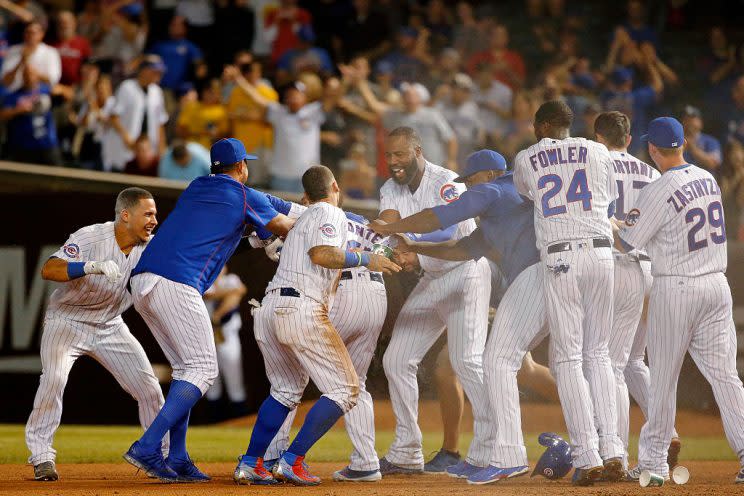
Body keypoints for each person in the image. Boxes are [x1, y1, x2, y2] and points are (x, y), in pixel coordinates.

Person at [370, 150, 557, 483]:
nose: (467, 189)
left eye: (469, 182)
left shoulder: (495, 188)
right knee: (563, 360)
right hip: (547, 276)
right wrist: (416, 248)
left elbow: (440, 217)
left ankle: (506, 454)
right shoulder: (505, 209)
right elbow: (460, 249)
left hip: (537, 278)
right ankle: (496, 452)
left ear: (486, 175)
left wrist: (394, 228)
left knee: (495, 361)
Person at [122, 138, 295, 482]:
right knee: (202, 369)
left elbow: (239, 218)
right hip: (177, 281)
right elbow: (284, 226)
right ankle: (148, 445)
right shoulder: (244, 194)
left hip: (142, 280)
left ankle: (179, 457)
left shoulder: (196, 186)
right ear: (242, 167)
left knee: (186, 368)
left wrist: (259, 225)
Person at [233, 166, 400, 486]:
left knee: (284, 391)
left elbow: (267, 219)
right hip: (301, 307)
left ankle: (252, 463)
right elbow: (323, 253)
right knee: (347, 389)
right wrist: (367, 259)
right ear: (335, 186)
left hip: (269, 308)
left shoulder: (296, 219)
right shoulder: (329, 212)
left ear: (304, 197)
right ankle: (291, 460)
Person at [617, 117, 744, 484]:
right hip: (716, 286)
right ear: (683, 144)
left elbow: (627, 244)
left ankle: (654, 463)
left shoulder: (659, 188)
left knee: (663, 380)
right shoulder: (707, 178)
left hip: (677, 288)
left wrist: (609, 224)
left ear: (652, 150)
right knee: (726, 377)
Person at [366, 127, 492, 476]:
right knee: (397, 359)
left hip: (465, 272)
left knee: (466, 362)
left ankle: (496, 446)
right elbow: (387, 222)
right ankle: (407, 451)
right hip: (432, 277)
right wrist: (375, 238)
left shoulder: (447, 179)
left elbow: (449, 230)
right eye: (389, 155)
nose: (393, 162)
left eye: (400, 154)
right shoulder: (390, 187)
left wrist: (404, 238)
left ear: (418, 151)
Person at [512, 100, 624, 485]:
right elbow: (607, 195)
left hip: (562, 257)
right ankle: (614, 450)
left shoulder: (527, 157)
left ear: (543, 126)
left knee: (569, 359)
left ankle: (588, 455)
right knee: (600, 355)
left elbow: (530, 195)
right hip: (601, 252)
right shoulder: (597, 150)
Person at [25, 188, 165, 482]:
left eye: (154, 214)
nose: (154, 219)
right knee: (54, 379)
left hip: (109, 325)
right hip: (67, 321)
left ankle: (157, 455)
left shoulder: (151, 246)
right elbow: (49, 269)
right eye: (148, 214)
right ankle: (41, 457)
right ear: (126, 215)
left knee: (149, 388)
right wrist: (89, 266)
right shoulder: (90, 236)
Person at [260, 205, 391, 482]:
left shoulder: (318, 212)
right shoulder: (367, 223)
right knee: (356, 380)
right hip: (377, 295)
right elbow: (396, 253)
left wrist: (274, 244)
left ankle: (274, 454)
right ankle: (366, 462)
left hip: (342, 290)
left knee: (293, 375)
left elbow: (305, 248)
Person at [593, 111, 681, 470]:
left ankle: (617, 455)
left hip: (615, 264)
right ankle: (668, 431)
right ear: (630, 140)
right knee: (632, 361)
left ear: (599, 138)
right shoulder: (651, 171)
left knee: (608, 363)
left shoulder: (595, 164)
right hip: (650, 268)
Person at [223, 66, 329, 192]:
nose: (292, 97)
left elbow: (332, 98)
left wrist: (348, 80)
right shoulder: (278, 112)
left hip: (308, 175)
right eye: (289, 94)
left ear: (305, 97)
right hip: (280, 176)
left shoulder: (313, 112)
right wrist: (239, 79)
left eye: (296, 94)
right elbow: (256, 97)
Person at [102, 56, 168, 172]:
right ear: (144, 70)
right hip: (124, 148)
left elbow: (160, 123)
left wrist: (161, 150)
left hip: (147, 153)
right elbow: (114, 117)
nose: (158, 74)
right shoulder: (127, 87)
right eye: (154, 71)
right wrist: (126, 138)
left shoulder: (157, 92)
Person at [204, 267, 249, 419]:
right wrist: (230, 292)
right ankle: (214, 421)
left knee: (234, 379)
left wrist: (218, 314)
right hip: (206, 336)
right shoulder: (204, 280)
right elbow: (206, 295)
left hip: (227, 334)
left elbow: (240, 292)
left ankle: (239, 418)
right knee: (210, 382)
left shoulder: (231, 279)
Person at [1, 63, 61, 166]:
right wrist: (19, 110)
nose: (29, 77)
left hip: (47, 144)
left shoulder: (45, 90)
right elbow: (2, 115)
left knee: (57, 178)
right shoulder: (14, 95)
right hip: (24, 146)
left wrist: (48, 92)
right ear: (22, 77)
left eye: (32, 74)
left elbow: (68, 93)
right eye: (26, 74)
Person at [1, 21, 60, 92]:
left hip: (39, 93)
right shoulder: (13, 50)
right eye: (27, 32)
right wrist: (21, 61)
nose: (30, 36)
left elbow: (52, 79)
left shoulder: (51, 52)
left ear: (42, 34)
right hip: (12, 94)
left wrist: (26, 63)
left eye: (33, 33)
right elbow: (5, 81)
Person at [681, 105, 722, 177]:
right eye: (686, 119)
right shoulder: (676, 141)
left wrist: (692, 149)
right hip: (682, 182)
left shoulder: (710, 141)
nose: (689, 122)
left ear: (700, 122)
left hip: (705, 183)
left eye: (693, 118)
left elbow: (713, 164)